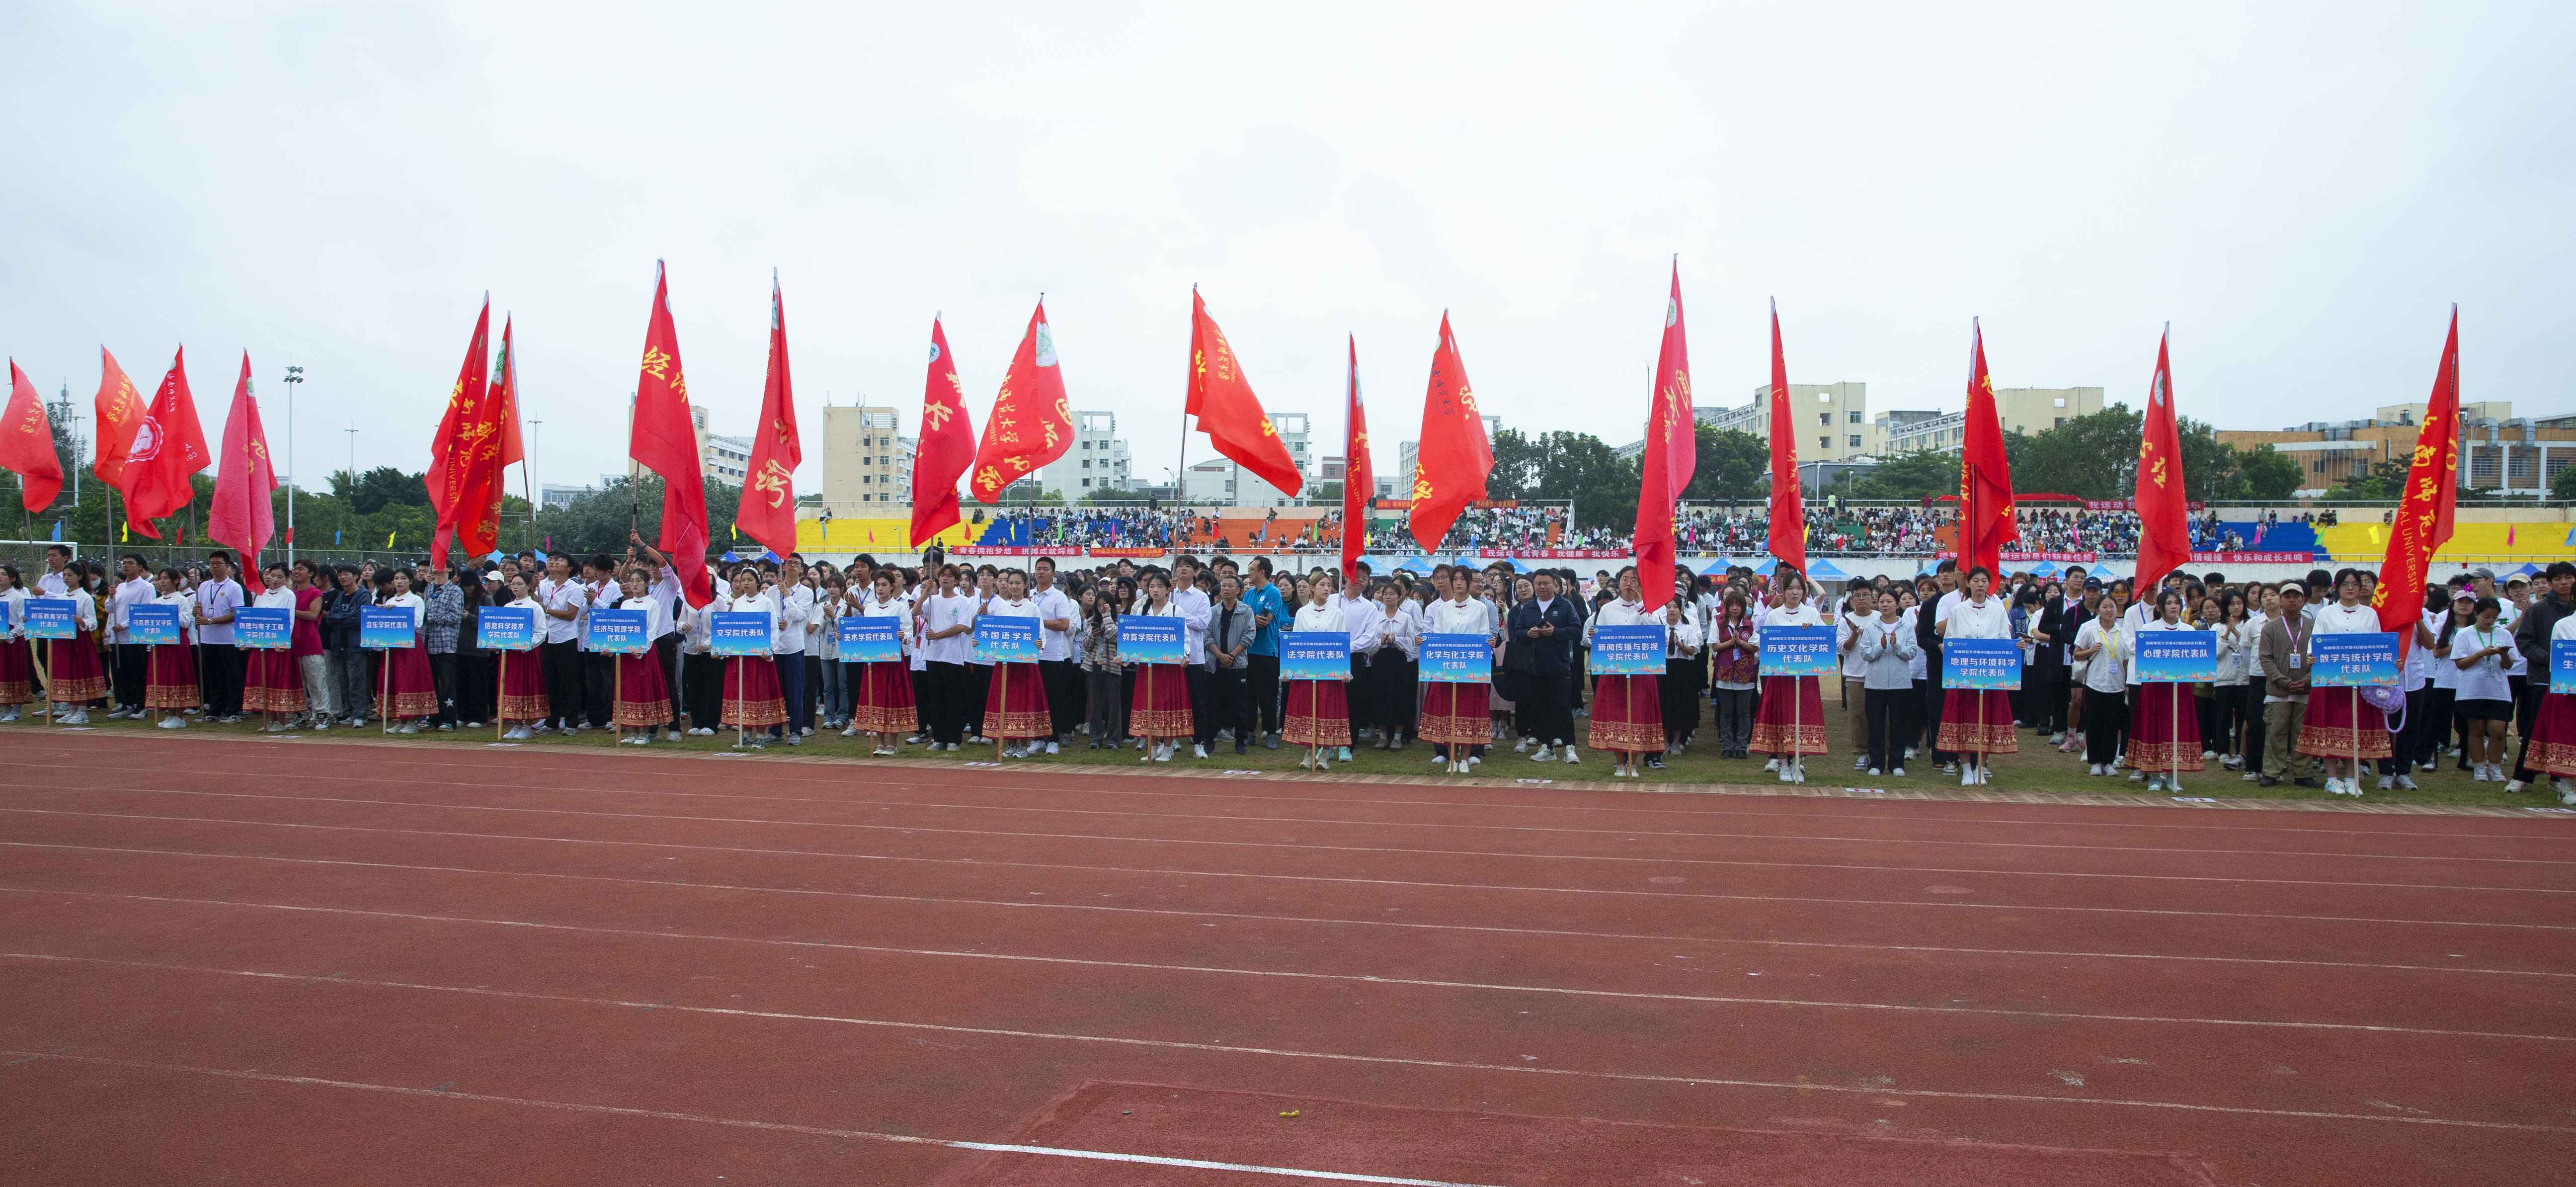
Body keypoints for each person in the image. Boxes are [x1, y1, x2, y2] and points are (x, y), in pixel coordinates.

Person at [2299, 572, 2390, 796]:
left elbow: (2376, 644)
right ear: (2337, 588)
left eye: (2355, 585)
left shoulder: (2370, 614)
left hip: (2358, 681)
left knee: (2355, 728)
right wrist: (2312, 656)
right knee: (2328, 726)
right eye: (2345, 585)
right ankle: (2332, 778)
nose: (2350, 589)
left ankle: (2351, 777)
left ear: (2360, 588)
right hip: (2331, 680)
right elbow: (2316, 641)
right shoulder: (2326, 613)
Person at [1935, 566, 2016, 786]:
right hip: (1964, 674)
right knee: (1963, 718)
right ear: (1968, 583)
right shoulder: (1958, 610)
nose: (1980, 585)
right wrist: (1947, 648)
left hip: (1990, 675)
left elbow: (2003, 638)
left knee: (1986, 720)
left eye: (1984, 581)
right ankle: (1966, 770)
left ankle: (1980, 767)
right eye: (1976, 581)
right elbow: (1952, 639)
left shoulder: (1998, 610)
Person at [1752, 569, 1827, 783]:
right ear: (1783, 592)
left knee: (1802, 718)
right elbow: (1763, 642)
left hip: (1805, 677)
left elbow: (1823, 640)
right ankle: (1784, 764)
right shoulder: (1775, 615)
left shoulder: (1811, 614)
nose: (1795, 593)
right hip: (1781, 677)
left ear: (1804, 591)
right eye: (1791, 589)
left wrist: (1810, 632)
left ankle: (1797, 764)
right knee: (1783, 719)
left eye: (1799, 589)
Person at [1586, 567, 1661, 779]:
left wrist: (1640, 604)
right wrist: (1595, 635)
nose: (1629, 583)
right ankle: (1619, 763)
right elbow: (1600, 639)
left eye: (1634, 580)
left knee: (1637, 714)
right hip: (1614, 671)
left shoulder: (1650, 607)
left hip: (1640, 670)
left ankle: (1634, 763)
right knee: (1616, 714)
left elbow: (1656, 631)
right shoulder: (1608, 609)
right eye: (1625, 579)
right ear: (1618, 583)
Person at [2127, 590, 2204, 792]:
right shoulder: (2149, 628)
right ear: (2160, 607)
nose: (2174, 607)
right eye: (2169, 603)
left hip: (2180, 688)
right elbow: (2142, 654)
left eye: (2176, 603)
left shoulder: (2189, 630)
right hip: (2155, 687)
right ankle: (2154, 775)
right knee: (2154, 727)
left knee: (2176, 729)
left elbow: (2196, 661)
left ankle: (2172, 776)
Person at [1423, 569, 1499, 770]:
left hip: (1471, 669)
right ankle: (1451, 758)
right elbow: (1438, 636)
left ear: (1468, 582)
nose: (1458, 583)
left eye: (1462, 580)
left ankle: (1465, 759)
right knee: (1449, 712)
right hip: (1446, 668)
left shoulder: (1480, 608)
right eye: (1455, 579)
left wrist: (1489, 642)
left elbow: (1484, 635)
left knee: (1467, 712)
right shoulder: (1443, 609)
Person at [979, 568, 1052, 758]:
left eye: (1018, 583)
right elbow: (993, 633)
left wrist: (1038, 644)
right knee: (1007, 702)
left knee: (1024, 702)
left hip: (1025, 665)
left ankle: (1022, 745)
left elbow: (1041, 635)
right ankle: (1009, 744)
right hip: (1005, 664)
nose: (1013, 587)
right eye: (1010, 583)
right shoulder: (1001, 607)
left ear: (1025, 585)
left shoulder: (1032, 608)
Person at [1510, 571, 1582, 762]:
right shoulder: (1529, 608)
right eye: (1538, 584)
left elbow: (1576, 630)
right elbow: (1517, 631)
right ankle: (1547, 746)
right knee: (1541, 708)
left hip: (1559, 665)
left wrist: (1555, 632)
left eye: (1546, 583)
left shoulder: (1565, 605)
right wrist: (1528, 633)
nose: (1542, 587)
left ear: (1554, 584)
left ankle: (1570, 747)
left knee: (1563, 708)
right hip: (1535, 666)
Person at [2256, 582, 2321, 788]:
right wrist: (2283, 681)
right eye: (2287, 596)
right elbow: (2265, 659)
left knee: (2303, 734)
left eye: (2296, 596)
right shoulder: (2270, 628)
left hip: (2305, 690)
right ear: (2281, 601)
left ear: (2304, 600)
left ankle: (2303, 773)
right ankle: (2271, 772)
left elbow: (2321, 658)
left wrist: (2308, 680)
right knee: (2276, 733)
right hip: (2278, 692)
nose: (2292, 600)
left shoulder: (2314, 627)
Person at [847, 570, 918, 756]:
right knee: (876, 698)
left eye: (884, 585)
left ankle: (893, 744)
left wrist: (903, 636)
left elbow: (910, 634)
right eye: (878, 585)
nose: (880, 589)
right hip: (874, 661)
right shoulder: (869, 608)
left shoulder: (900, 607)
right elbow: (864, 633)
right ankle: (879, 742)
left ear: (892, 586)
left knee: (892, 699)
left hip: (893, 661)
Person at [1127, 571, 1195, 762]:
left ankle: (1167, 749)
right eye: (1152, 587)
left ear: (1168, 589)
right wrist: (1125, 656)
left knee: (1168, 706)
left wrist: (1183, 656)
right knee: (1150, 706)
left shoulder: (1176, 611)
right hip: (1148, 666)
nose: (1155, 590)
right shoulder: (1141, 610)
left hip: (1169, 667)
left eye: (1159, 587)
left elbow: (1185, 638)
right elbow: (1131, 636)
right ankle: (1153, 747)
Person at [716, 566, 787, 746]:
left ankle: (761, 736)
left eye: (750, 580)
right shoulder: (738, 603)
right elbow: (731, 628)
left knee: (760, 694)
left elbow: (772, 628)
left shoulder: (766, 603)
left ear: (757, 582)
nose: (746, 584)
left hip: (759, 659)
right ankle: (746, 735)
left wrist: (769, 649)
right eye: (743, 580)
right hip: (741, 658)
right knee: (743, 695)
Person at [2452, 596, 2517, 783]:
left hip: (2497, 689)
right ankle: (2479, 766)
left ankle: (2495, 767)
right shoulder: (2464, 635)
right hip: (2472, 689)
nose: (2490, 621)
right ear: (2476, 614)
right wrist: (2482, 654)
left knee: (2498, 730)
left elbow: (2509, 665)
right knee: (2477, 730)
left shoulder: (2504, 635)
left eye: (2494, 618)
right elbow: (2460, 664)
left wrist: (2504, 655)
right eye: (2486, 617)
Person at [1857, 590, 1918, 776]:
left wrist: (1897, 645)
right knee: (1876, 725)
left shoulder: (1906, 627)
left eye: (1889, 601)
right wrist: (1881, 647)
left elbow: (1912, 652)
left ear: (1897, 605)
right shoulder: (1871, 627)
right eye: (1882, 602)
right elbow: (1865, 654)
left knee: (1899, 724)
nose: (1885, 605)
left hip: (1900, 684)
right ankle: (1876, 763)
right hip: (1876, 684)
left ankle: (1897, 764)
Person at [240, 563, 305, 731]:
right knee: (264, 679)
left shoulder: (289, 595)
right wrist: (246, 640)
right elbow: (253, 618)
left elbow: (290, 620)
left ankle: (280, 720)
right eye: (272, 576)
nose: (274, 580)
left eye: (280, 577)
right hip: (262, 643)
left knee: (279, 680)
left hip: (279, 645)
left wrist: (283, 642)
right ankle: (269, 719)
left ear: (287, 579)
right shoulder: (261, 594)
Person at [2526, 599, 2576, 803]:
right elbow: (2562, 660)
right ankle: (2565, 786)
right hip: (2569, 691)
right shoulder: (2564, 625)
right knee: (2566, 737)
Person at [2072, 598, 2127, 776]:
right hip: (2095, 683)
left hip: (2117, 684)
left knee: (2112, 725)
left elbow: (2126, 660)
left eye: (2112, 607)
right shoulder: (2089, 629)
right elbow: (2077, 655)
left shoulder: (2122, 630)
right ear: (2098, 610)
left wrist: (2127, 682)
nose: (2109, 610)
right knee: (2094, 723)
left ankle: (2109, 762)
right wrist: (2091, 651)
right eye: (2105, 607)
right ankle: (2095, 762)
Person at [1362, 578, 1419, 750]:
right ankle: (1383, 736)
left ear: (1400, 597)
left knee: (1400, 697)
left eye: (1392, 594)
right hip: (1380, 661)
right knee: (1380, 697)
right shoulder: (1376, 617)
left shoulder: (1406, 618)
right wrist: (1381, 641)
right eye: (1385, 594)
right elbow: (1370, 643)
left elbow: (1411, 643)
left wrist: (1397, 640)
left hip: (1399, 661)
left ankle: (1398, 737)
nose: (1388, 597)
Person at [377, 569, 438, 734]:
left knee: (408, 680)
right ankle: (399, 719)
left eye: (403, 579)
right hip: (393, 646)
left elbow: (418, 623)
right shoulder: (390, 600)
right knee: (394, 680)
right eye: (396, 579)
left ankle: (412, 721)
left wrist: (396, 613)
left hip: (410, 645)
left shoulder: (416, 600)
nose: (399, 582)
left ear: (410, 581)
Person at [1031, 557, 1081, 754]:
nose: (1041, 572)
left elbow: (1064, 625)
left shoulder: (1059, 597)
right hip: (1032, 655)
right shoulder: (1030, 597)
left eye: (1045, 569)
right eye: (1038, 569)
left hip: (1053, 655)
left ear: (1053, 573)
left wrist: (1038, 622)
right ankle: (1037, 738)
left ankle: (1053, 739)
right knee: (1035, 698)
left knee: (1054, 698)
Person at [495, 574, 553, 740]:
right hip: (510, 655)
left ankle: (527, 725)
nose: (515, 587)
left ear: (528, 586)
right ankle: (516, 724)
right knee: (511, 687)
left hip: (527, 654)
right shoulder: (507, 607)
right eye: (513, 584)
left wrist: (526, 645)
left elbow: (541, 632)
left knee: (527, 687)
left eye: (519, 584)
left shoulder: (534, 607)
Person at [143, 567, 201, 729]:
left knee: (176, 676)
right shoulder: (156, 601)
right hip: (160, 645)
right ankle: (169, 713)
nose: (162, 582)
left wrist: (167, 614)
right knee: (162, 678)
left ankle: (179, 716)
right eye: (160, 578)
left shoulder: (181, 600)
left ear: (176, 581)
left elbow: (185, 622)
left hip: (176, 644)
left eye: (166, 578)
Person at [192, 551, 245, 723]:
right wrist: (197, 613)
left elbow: (236, 613)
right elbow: (199, 608)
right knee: (213, 676)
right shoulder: (204, 586)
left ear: (227, 566)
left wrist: (210, 620)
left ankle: (234, 710)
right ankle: (215, 709)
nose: (214, 566)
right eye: (212, 563)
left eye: (219, 563)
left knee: (232, 676)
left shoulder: (234, 587)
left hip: (228, 639)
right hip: (208, 638)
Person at [537, 555, 587, 734]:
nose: (556, 563)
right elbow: (535, 603)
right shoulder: (544, 585)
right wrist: (531, 588)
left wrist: (547, 610)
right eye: (553, 560)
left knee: (569, 681)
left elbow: (571, 614)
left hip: (565, 638)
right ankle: (552, 720)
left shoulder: (574, 588)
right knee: (551, 681)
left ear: (569, 569)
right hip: (548, 636)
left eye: (561, 561)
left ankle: (572, 722)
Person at [1241, 557, 1287, 748]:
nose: (1249, 572)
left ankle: (1270, 733)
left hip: (1267, 652)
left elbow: (1264, 621)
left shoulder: (1273, 593)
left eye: (1252, 569)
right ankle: (1249, 732)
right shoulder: (1249, 594)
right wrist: (1251, 619)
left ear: (1262, 572)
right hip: (1248, 651)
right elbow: (1244, 619)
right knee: (1249, 695)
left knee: (1267, 696)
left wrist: (1250, 619)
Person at [1207, 575, 1256, 754]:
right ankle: (1210, 739)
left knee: (1240, 704)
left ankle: (1241, 741)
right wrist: (1220, 656)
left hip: (1238, 664)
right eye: (1223, 585)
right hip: (1215, 663)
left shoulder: (1246, 611)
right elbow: (1207, 635)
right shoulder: (1213, 611)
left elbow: (1250, 636)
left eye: (1230, 586)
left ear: (1238, 590)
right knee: (1213, 703)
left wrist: (1232, 656)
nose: (1226, 589)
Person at [1708, 593, 1758, 759]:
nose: (1735, 608)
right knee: (1726, 713)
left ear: (1744, 607)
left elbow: (1755, 647)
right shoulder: (1719, 624)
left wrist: (1741, 643)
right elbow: (1714, 645)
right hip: (1725, 673)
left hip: (1745, 675)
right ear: (1727, 606)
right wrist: (1731, 643)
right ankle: (1728, 746)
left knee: (1744, 712)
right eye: (1732, 605)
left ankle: (1742, 746)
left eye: (1738, 605)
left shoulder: (1750, 625)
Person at [106, 554, 152, 720]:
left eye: (130, 563)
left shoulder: (146, 587)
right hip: (117, 637)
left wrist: (124, 625)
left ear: (140, 567)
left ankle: (140, 705)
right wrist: (111, 596)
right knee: (120, 671)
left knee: (137, 671)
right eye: (124, 563)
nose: (126, 566)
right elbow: (110, 609)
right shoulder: (119, 587)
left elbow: (145, 611)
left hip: (135, 636)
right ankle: (125, 703)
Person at [289, 561, 333, 729]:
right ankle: (301, 714)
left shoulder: (315, 593)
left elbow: (313, 615)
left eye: (301, 569)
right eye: (295, 569)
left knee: (316, 682)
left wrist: (289, 611)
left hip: (310, 643)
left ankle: (322, 715)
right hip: (293, 644)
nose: (297, 572)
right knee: (297, 683)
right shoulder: (291, 594)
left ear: (311, 574)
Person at [0, 564, 31, 721]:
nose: (0, 577)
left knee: (14, 672)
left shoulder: (18, 597)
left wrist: (11, 634)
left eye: (4, 574)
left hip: (12, 642)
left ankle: (16, 709)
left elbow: (24, 621)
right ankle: (4, 707)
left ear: (12, 578)